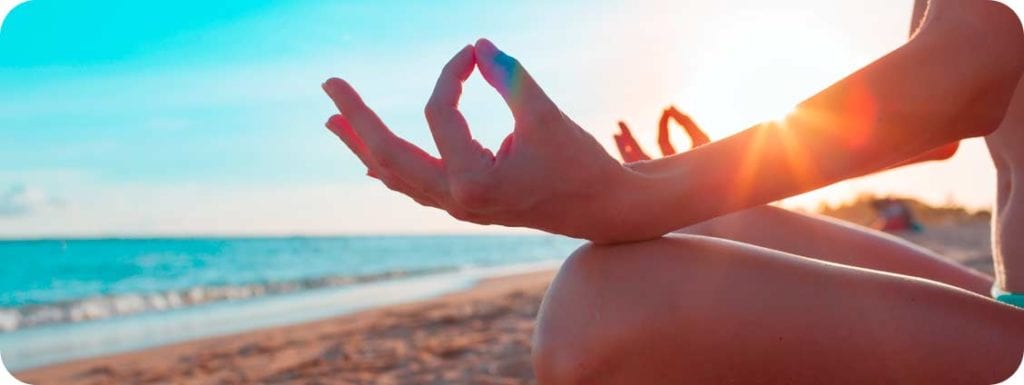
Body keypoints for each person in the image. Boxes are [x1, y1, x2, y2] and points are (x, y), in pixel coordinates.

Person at [320, 0, 1024, 382]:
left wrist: (633, 194)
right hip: (1010, 295)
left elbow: (977, 58)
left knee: (595, 308)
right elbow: (943, 121)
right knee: (727, 225)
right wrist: (710, 175)